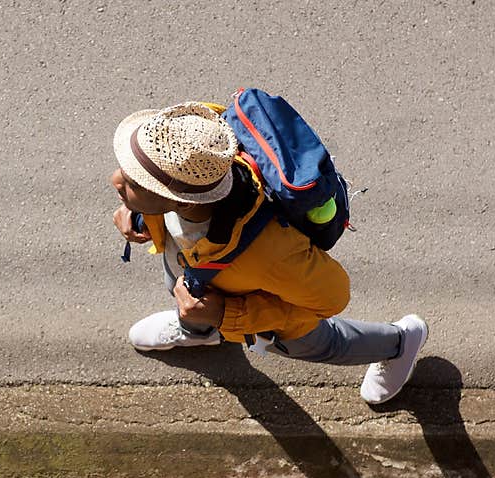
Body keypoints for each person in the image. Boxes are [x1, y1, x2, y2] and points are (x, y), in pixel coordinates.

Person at [110, 101, 427, 404]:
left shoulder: (270, 254)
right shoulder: (193, 150)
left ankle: (400, 343)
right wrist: (138, 212)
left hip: (265, 317)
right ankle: (199, 331)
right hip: (198, 274)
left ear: (179, 200)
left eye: (132, 182)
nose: (116, 180)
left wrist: (225, 315)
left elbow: (334, 297)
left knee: (325, 343)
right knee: (180, 290)